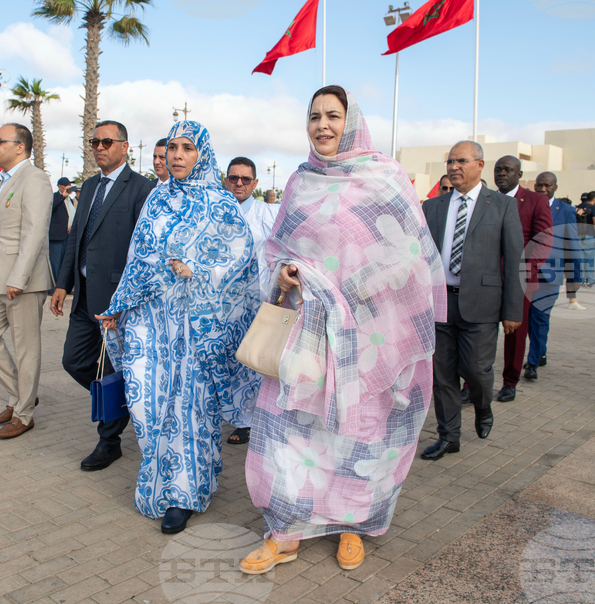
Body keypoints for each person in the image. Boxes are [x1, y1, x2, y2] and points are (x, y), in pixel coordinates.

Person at [240, 87, 445, 574]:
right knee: (290, 430)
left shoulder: (385, 177)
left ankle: (350, 524)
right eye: (314, 116)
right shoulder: (299, 181)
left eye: (333, 116)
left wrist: (352, 288)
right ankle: (284, 531)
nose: (322, 125)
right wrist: (285, 273)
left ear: (351, 122)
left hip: (368, 336)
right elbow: (274, 248)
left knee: (357, 432)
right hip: (306, 334)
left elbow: (410, 256)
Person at [98, 120, 263, 535]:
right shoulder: (156, 199)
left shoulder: (221, 204)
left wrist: (201, 270)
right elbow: (137, 259)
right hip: (154, 325)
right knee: (152, 408)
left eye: (187, 147)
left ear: (201, 154)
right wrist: (119, 306)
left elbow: (243, 262)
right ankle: (161, 482)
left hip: (198, 329)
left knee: (190, 410)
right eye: (172, 146)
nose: (176, 154)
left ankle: (186, 494)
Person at [49, 120, 153, 469]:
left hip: (116, 302)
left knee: (109, 370)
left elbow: (142, 251)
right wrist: (63, 283)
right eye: (94, 141)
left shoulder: (142, 188)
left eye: (107, 141)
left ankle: (109, 441)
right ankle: (124, 400)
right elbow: (77, 236)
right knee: (74, 361)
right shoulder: (89, 186)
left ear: (126, 147)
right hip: (83, 297)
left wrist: (124, 301)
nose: (99, 147)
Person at [420, 140, 524, 461]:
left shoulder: (502, 206)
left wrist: (512, 310)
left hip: (482, 304)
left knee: (478, 372)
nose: (454, 167)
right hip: (440, 304)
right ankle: (449, 436)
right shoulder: (433, 207)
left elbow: (516, 259)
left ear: (480, 165)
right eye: (450, 161)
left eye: (461, 161)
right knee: (443, 375)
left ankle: (482, 405)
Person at [0, 123, 54, 439]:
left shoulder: (34, 179)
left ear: (20, 146)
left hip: (22, 281)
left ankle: (23, 413)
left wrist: (18, 277)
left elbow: (34, 232)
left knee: (26, 349)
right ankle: (21, 394)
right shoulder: (5, 180)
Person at [223, 155, 278, 446]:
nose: (239, 183)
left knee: (252, 361)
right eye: (234, 178)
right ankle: (227, 411)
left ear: (255, 183)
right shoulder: (215, 213)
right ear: (226, 180)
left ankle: (247, 420)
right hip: (220, 305)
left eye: (246, 179)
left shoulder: (268, 214)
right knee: (227, 360)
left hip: (257, 302)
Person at [492, 156, 552, 403]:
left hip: (520, 280)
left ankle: (510, 382)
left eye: (508, 170)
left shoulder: (536, 200)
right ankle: (471, 383)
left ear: (519, 173)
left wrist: (524, 275)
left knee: (515, 334)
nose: (502, 174)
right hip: (487, 279)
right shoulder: (487, 199)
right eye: (498, 170)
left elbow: (543, 240)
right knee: (480, 333)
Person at [526, 172, 579, 380]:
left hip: (551, 276)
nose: (542, 189)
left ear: (555, 187)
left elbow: (572, 244)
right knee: (530, 321)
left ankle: (532, 363)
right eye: (539, 185)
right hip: (527, 274)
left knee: (540, 319)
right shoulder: (528, 205)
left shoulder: (565, 211)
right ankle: (540, 353)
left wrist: (574, 277)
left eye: (547, 185)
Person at [48, 177, 72, 281]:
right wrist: (62, 196)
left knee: (63, 262)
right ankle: (53, 286)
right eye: (66, 186)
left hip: (67, 235)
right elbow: (50, 208)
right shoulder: (55, 197)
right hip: (56, 236)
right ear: (60, 187)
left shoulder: (70, 200)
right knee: (55, 262)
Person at [575, 192, 595, 286]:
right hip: (589, 236)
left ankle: (580, 280)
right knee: (590, 260)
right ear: (594, 198)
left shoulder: (578, 207)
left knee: (581, 259)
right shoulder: (593, 208)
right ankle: (590, 280)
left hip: (579, 236)